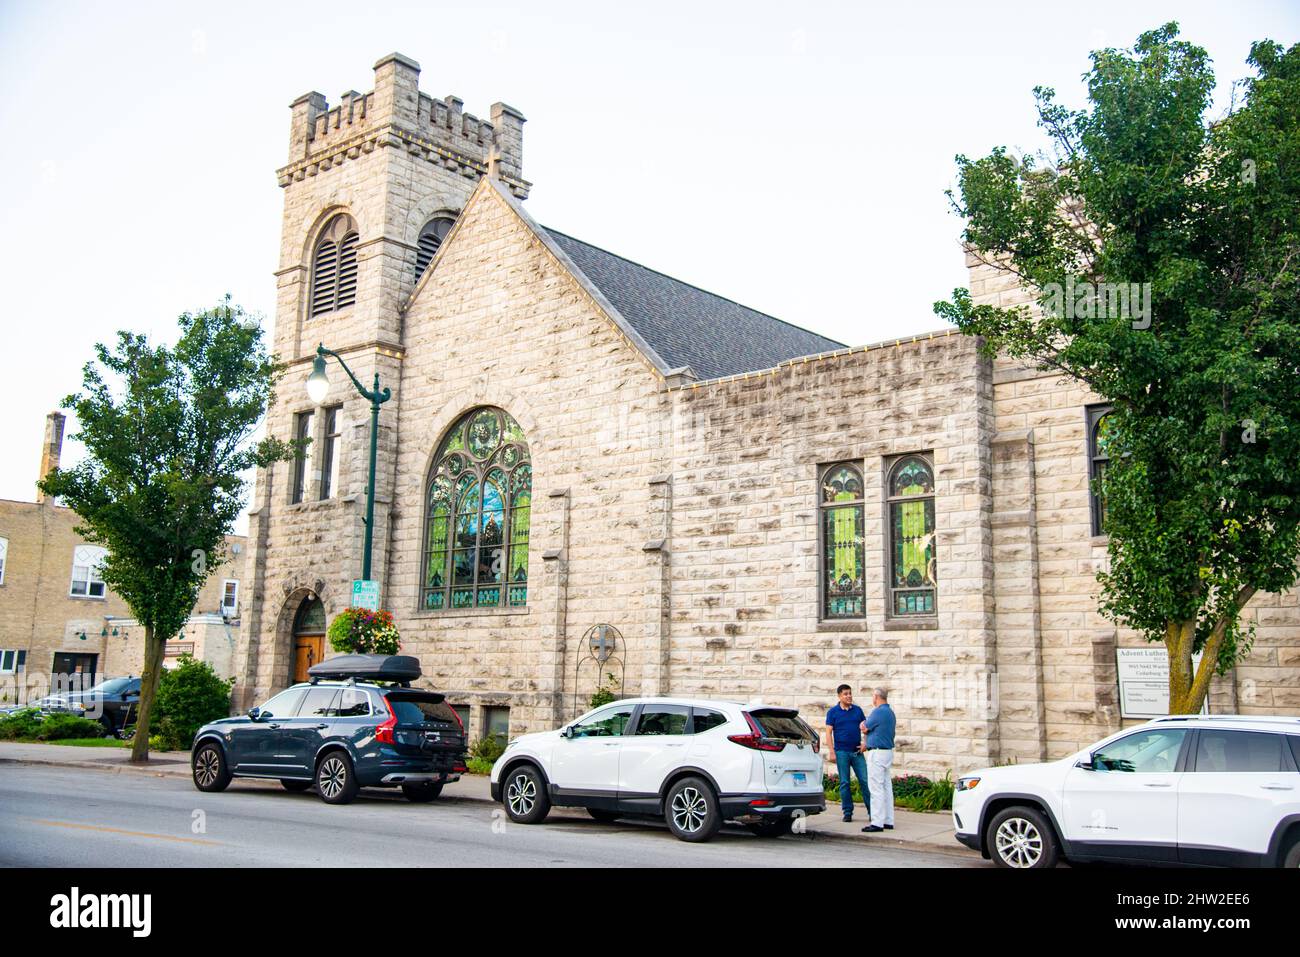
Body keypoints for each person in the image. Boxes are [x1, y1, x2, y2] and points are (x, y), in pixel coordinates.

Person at [824, 684, 870, 823]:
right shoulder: (833, 712)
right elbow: (828, 732)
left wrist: (865, 744)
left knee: (865, 781)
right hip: (842, 752)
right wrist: (832, 752)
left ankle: (873, 812)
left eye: (850, 693)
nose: (849, 696)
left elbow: (866, 728)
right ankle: (847, 812)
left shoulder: (857, 711)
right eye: (845, 694)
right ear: (839, 696)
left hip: (856, 752)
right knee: (845, 782)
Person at [861, 687, 896, 833]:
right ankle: (888, 820)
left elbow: (864, 726)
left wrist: (864, 726)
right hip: (887, 752)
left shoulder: (878, 712)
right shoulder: (890, 713)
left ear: (876, 697)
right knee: (886, 787)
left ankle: (877, 822)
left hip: (877, 753)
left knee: (875, 788)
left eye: (872, 696)